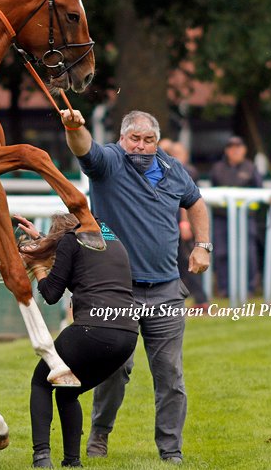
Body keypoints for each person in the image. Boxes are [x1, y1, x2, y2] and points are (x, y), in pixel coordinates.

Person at [60, 108, 211, 464]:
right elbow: (84, 149)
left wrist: (203, 246)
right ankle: (99, 434)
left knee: (171, 375)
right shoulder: (109, 162)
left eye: (149, 140)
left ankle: (171, 451)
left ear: (157, 141)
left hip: (166, 291)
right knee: (115, 370)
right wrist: (73, 128)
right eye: (135, 139)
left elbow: (198, 203)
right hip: (116, 292)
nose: (141, 147)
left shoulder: (173, 169)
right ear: (123, 138)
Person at [15, 213, 139, 468]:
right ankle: (72, 462)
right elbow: (79, 266)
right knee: (68, 390)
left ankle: (41, 457)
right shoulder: (109, 236)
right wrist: (42, 240)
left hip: (91, 329)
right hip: (127, 336)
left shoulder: (70, 241)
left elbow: (50, 294)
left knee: (41, 382)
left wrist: (37, 266)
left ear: (60, 238)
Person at [209, 135, 263, 298]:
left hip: (245, 218)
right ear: (227, 150)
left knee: (249, 253)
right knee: (221, 253)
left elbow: (259, 192)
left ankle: (250, 288)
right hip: (222, 218)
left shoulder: (250, 168)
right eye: (232, 148)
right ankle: (225, 288)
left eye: (238, 147)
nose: (235, 151)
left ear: (244, 150)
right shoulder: (217, 168)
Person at [166, 141, 209, 309]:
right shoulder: (173, 169)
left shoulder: (185, 171)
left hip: (180, 223)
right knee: (180, 263)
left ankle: (201, 300)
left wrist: (184, 223)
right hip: (173, 223)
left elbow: (188, 200)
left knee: (187, 261)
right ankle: (197, 299)